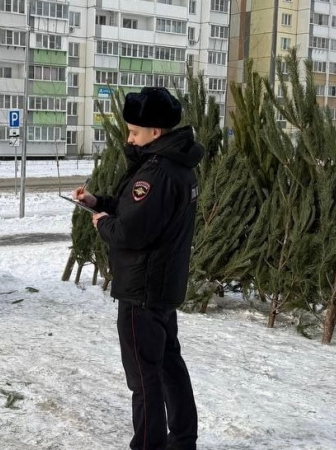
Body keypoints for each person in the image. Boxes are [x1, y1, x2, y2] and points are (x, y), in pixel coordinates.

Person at [73, 87, 202, 450]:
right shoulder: (176, 166)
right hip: (161, 285)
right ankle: (183, 440)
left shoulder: (157, 173)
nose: (129, 138)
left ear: (155, 132)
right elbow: (136, 212)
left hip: (142, 289)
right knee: (168, 365)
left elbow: (130, 230)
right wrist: (98, 201)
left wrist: (101, 224)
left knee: (144, 378)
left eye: (134, 132)